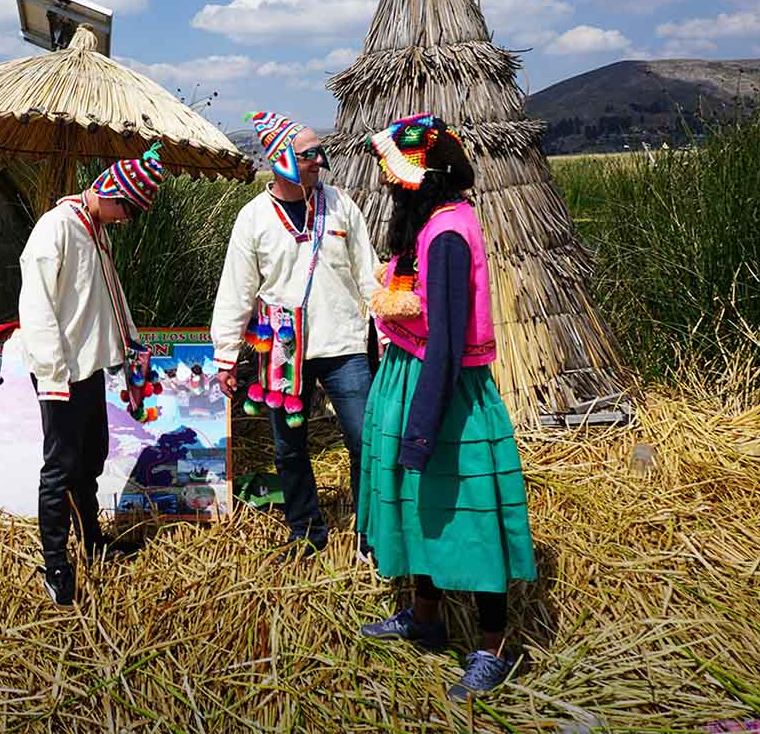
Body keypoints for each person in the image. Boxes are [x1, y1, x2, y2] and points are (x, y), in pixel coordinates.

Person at [354, 113, 537, 702]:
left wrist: (422, 429)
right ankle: (426, 618)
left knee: (470, 511)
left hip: (446, 394)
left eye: (397, 177)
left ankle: (491, 647)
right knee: (418, 504)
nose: (390, 186)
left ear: (425, 178)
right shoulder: (431, 224)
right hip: (413, 380)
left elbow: (450, 342)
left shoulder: (451, 233)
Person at [210, 110, 382, 559]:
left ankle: (372, 532)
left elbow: (368, 272)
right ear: (282, 158)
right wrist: (226, 356)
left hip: (343, 344)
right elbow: (236, 290)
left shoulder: (341, 204)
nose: (320, 161)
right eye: (309, 155)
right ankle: (306, 529)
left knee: (366, 438)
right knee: (288, 445)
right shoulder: (253, 218)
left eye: (319, 153)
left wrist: (385, 328)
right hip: (283, 350)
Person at [18, 144, 164, 606]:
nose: (124, 220)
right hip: (61, 370)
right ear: (113, 193)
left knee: (92, 457)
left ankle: (92, 538)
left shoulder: (95, 230)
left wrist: (132, 345)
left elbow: (109, 295)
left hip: (89, 367)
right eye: (127, 210)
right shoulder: (56, 228)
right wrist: (53, 372)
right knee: (59, 466)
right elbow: (36, 303)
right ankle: (56, 562)